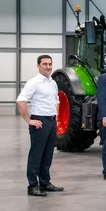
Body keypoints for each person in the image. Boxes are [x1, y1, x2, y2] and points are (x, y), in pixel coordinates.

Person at [16, 55, 64, 197]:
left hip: (51, 121)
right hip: (39, 121)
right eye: (45, 64)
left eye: (50, 64)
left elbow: (56, 101)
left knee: (48, 154)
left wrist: (55, 117)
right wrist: (29, 120)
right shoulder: (34, 82)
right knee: (36, 155)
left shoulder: (52, 83)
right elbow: (20, 101)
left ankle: (45, 183)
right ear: (38, 65)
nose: (48, 67)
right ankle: (32, 186)